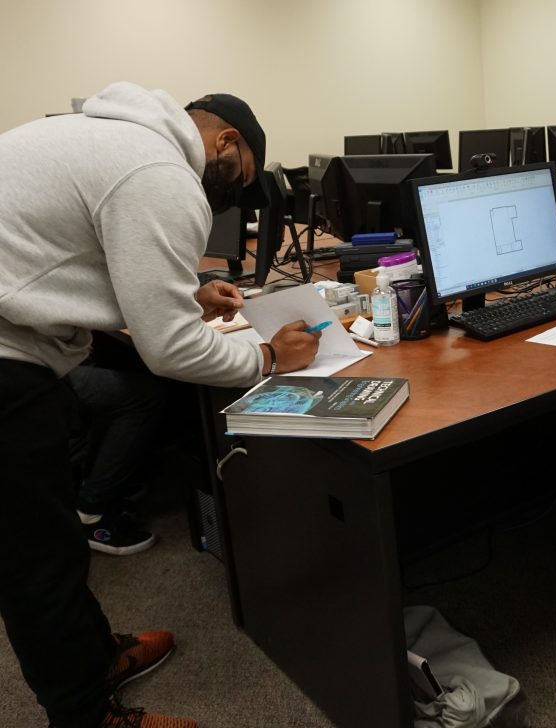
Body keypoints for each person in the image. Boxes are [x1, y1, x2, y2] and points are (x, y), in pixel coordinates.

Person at [0, 82, 321, 728]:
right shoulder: (160, 171)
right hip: (8, 360)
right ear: (224, 141)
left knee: (55, 535)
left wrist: (186, 293)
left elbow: (67, 264)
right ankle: (90, 716)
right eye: (234, 183)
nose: (225, 197)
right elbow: (170, 352)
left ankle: (96, 657)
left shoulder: (122, 140)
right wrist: (266, 360)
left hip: (19, 340)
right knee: (36, 560)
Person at [67, 361, 167, 556]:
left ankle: (97, 489)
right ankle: (91, 511)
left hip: (32, 363)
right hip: (26, 373)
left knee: (111, 366)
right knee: (143, 395)